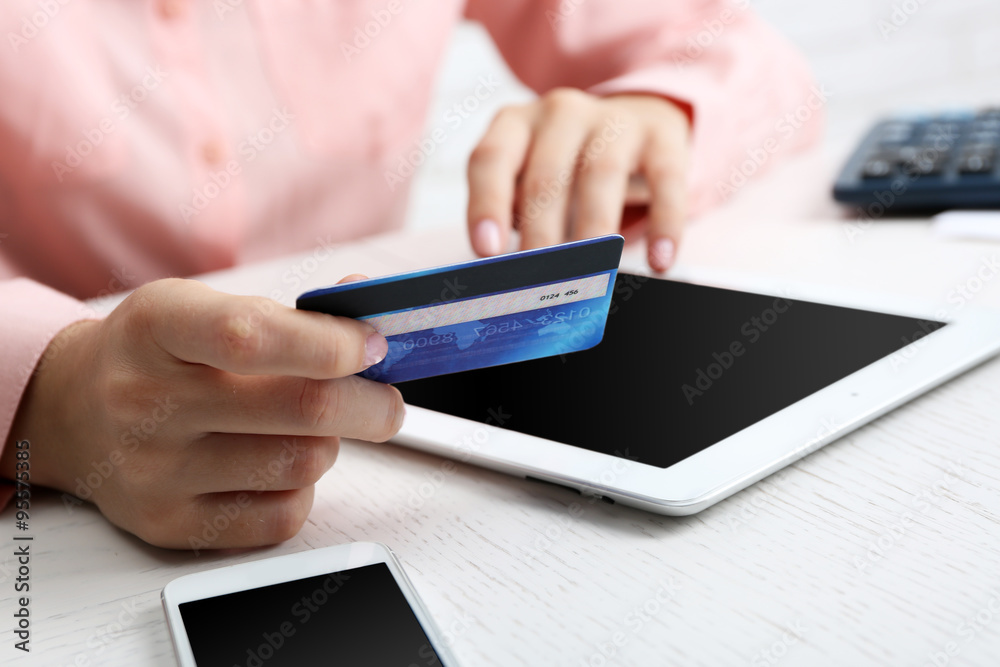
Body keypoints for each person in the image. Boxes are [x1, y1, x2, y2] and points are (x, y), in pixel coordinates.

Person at [0, 0, 821, 549]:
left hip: (385, 454)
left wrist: (654, 113)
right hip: (54, 531)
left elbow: (751, 61)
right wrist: (48, 393)